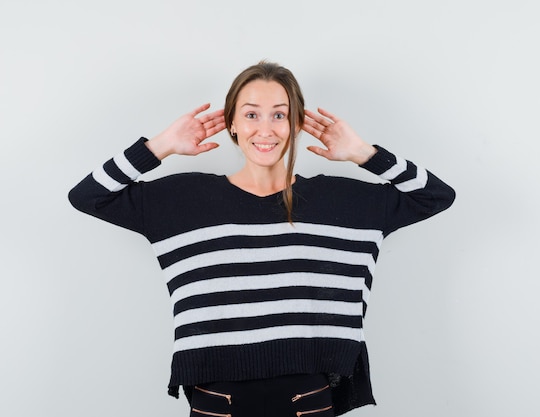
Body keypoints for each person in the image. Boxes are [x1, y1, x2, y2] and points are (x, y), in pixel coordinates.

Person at [68, 60, 455, 417]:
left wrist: (362, 153)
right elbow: (88, 196)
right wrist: (161, 146)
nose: (265, 129)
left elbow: (436, 196)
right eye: (251, 114)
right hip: (217, 405)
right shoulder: (181, 201)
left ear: (297, 124)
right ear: (232, 123)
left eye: (280, 115)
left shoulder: (346, 202)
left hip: (309, 403)